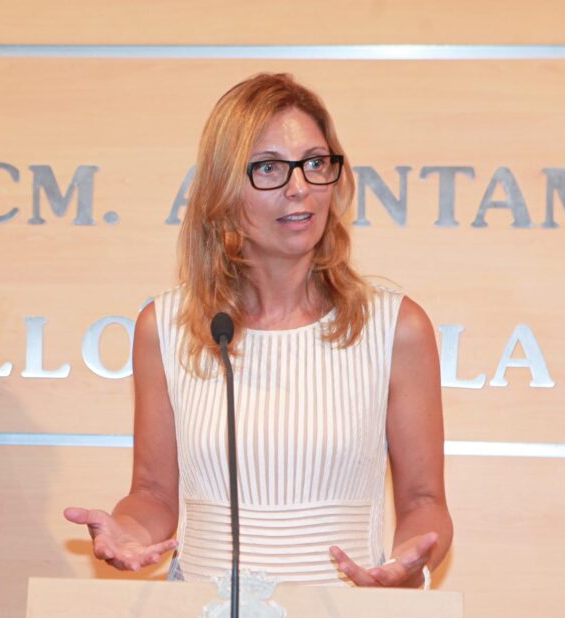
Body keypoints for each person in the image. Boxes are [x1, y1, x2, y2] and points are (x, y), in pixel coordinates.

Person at [64, 72, 452, 588]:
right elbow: (153, 495)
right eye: (269, 167)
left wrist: (409, 564)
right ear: (223, 189)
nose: (300, 187)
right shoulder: (167, 327)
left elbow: (424, 502)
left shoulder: (396, 327)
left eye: (315, 163)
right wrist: (128, 532)